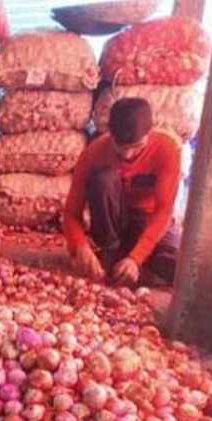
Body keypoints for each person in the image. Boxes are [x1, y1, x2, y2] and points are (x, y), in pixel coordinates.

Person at [63, 98, 183, 287]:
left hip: (149, 220)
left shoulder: (167, 149)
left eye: (136, 147)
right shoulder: (94, 153)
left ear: (149, 133)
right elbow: (71, 213)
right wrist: (79, 246)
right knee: (104, 178)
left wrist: (136, 258)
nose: (127, 155)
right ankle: (111, 253)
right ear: (110, 134)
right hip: (115, 222)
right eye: (120, 147)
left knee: (178, 269)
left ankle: (128, 264)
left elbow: (164, 211)